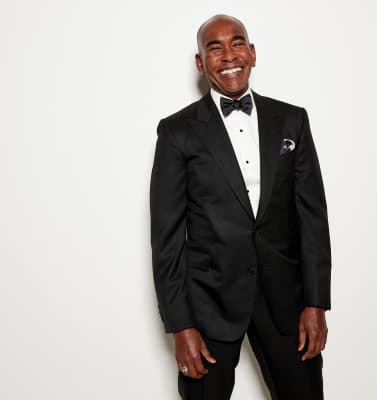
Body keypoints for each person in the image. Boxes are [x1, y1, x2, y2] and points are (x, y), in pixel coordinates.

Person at [150, 14, 332, 400]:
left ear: (252, 53)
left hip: (286, 304)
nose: (229, 55)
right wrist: (180, 325)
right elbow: (167, 239)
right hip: (209, 307)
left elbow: (312, 219)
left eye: (237, 44)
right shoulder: (177, 131)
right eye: (214, 48)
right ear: (201, 63)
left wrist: (316, 303)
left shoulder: (292, 121)